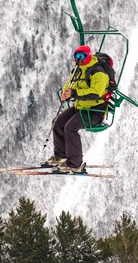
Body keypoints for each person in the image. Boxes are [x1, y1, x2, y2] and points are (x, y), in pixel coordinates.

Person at [45, 44, 110, 173]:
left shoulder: (98, 73)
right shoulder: (78, 70)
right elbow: (68, 84)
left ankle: (75, 164)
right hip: (80, 107)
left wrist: (74, 93)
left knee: (70, 128)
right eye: (77, 56)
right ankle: (61, 156)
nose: (79, 59)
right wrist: (66, 93)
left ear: (89, 56)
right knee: (57, 122)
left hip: (95, 110)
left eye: (83, 56)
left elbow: (95, 93)